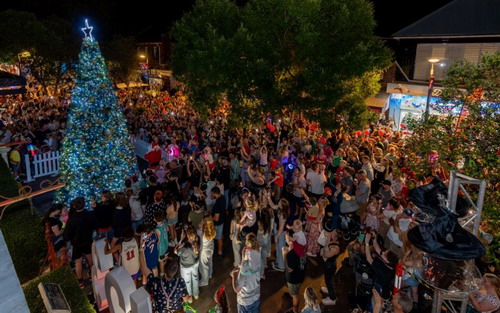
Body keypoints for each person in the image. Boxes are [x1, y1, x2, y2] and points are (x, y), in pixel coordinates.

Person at [63, 197, 96, 286]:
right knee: (90, 258)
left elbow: (67, 233)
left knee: (78, 262)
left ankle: (80, 281)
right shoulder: (89, 214)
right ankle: (93, 275)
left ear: (74, 206)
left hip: (77, 242)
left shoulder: (72, 218)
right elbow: (94, 225)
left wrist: (69, 239)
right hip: (87, 240)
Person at [364, 231, 398, 307]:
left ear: (387, 261)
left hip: (380, 289)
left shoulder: (384, 272)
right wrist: (374, 237)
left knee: (375, 303)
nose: (383, 253)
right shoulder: (390, 264)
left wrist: (366, 243)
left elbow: (369, 259)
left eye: (384, 254)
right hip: (385, 286)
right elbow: (377, 248)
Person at [175, 227, 200, 301]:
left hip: (186, 267)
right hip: (195, 264)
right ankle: (196, 294)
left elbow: (176, 252)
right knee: (195, 279)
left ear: (188, 235)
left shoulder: (184, 245)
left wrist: (181, 240)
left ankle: (190, 298)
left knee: (187, 282)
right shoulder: (197, 241)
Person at [285, 231, 306, 313]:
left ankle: (294, 309)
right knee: (295, 291)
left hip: (293, 279)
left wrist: (284, 257)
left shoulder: (291, 254)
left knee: (294, 295)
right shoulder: (302, 250)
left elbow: (289, 269)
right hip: (301, 276)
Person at [199, 217, 216, 287]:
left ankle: (204, 281)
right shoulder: (212, 231)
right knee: (210, 262)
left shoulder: (202, 233)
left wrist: (200, 226)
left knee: (204, 266)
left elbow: (198, 229)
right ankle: (210, 274)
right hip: (211, 249)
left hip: (204, 252)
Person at [211, 186, 226, 257]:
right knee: (220, 235)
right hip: (222, 220)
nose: (211, 195)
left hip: (218, 223)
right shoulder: (222, 197)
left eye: (212, 194)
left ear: (214, 193)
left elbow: (216, 218)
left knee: (219, 238)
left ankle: (220, 251)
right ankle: (221, 248)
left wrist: (210, 217)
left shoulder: (217, 203)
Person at [154, 211, 169, 277]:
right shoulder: (165, 222)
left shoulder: (157, 229)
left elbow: (158, 241)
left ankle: (162, 272)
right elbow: (167, 230)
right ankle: (167, 267)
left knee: (161, 261)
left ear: (155, 219)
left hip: (161, 248)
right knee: (165, 257)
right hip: (166, 244)